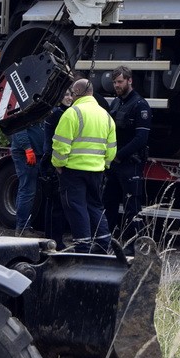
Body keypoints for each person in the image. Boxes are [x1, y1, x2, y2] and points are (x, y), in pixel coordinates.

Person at [51, 78, 116, 253]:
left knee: (76, 207)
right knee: (95, 206)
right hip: (96, 170)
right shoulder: (106, 116)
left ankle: (83, 245)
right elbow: (111, 148)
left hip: (73, 171)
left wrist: (58, 164)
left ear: (78, 93)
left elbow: (60, 144)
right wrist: (104, 165)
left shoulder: (72, 113)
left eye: (72, 93)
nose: (70, 96)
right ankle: (104, 243)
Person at [104, 66, 151, 249]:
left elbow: (141, 139)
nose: (117, 85)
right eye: (114, 82)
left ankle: (133, 246)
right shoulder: (116, 103)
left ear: (129, 81)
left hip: (130, 163)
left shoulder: (140, 105)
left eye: (120, 82)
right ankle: (104, 243)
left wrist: (118, 156)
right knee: (108, 203)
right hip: (115, 164)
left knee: (132, 208)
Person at [33, 87, 73, 248]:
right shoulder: (59, 114)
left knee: (52, 202)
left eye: (71, 95)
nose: (69, 98)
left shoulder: (55, 112)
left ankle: (51, 237)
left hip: (48, 159)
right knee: (56, 204)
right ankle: (56, 239)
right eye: (66, 95)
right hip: (52, 162)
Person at [8, 122, 45, 233]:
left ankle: (24, 226)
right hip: (25, 153)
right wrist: (27, 148)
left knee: (28, 190)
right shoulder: (25, 107)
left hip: (35, 153)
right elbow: (18, 127)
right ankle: (22, 228)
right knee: (27, 190)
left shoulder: (39, 108)